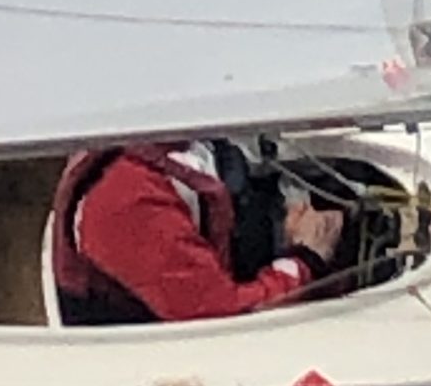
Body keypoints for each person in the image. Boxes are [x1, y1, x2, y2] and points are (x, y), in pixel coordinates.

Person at [51, 139, 345, 326]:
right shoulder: (128, 199)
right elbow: (219, 316)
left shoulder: (181, 137)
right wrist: (307, 260)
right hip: (181, 344)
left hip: (220, 277)